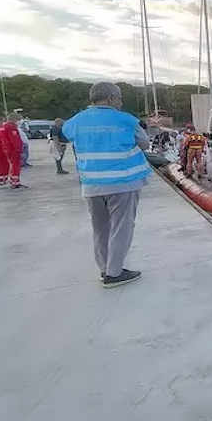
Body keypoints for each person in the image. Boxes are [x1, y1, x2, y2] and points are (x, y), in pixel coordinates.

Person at [63, 81, 151, 288]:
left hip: (91, 184)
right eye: (119, 99)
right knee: (121, 228)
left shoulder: (76, 121)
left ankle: (104, 269)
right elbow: (145, 143)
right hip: (123, 183)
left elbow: (66, 136)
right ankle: (114, 272)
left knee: (100, 229)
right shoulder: (126, 120)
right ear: (111, 98)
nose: (120, 103)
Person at [0, 114, 26, 189]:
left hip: (7, 149)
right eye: (18, 120)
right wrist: (19, 148)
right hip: (13, 150)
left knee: (13, 164)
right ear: (14, 119)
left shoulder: (3, 127)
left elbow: (1, 139)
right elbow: (14, 139)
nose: (19, 121)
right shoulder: (11, 127)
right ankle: (15, 182)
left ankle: (13, 181)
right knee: (15, 165)